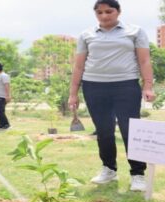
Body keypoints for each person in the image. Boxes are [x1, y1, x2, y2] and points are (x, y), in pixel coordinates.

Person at [68, 0, 156, 192]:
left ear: (118, 11)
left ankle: (137, 174)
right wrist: (73, 93)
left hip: (126, 86)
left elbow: (144, 60)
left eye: (109, 11)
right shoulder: (87, 35)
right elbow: (79, 66)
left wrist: (148, 86)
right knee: (104, 131)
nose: (104, 16)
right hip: (94, 87)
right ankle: (109, 169)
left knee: (130, 130)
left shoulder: (135, 31)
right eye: (99, 12)